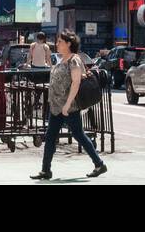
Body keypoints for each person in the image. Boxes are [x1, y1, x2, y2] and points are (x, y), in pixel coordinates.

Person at [30, 30, 107, 180]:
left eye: (60, 42)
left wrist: (67, 104)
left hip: (68, 107)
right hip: (56, 106)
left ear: (68, 44)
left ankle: (99, 164)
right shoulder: (62, 59)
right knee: (51, 137)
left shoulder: (74, 60)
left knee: (79, 135)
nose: (57, 44)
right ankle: (46, 170)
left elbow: (76, 83)